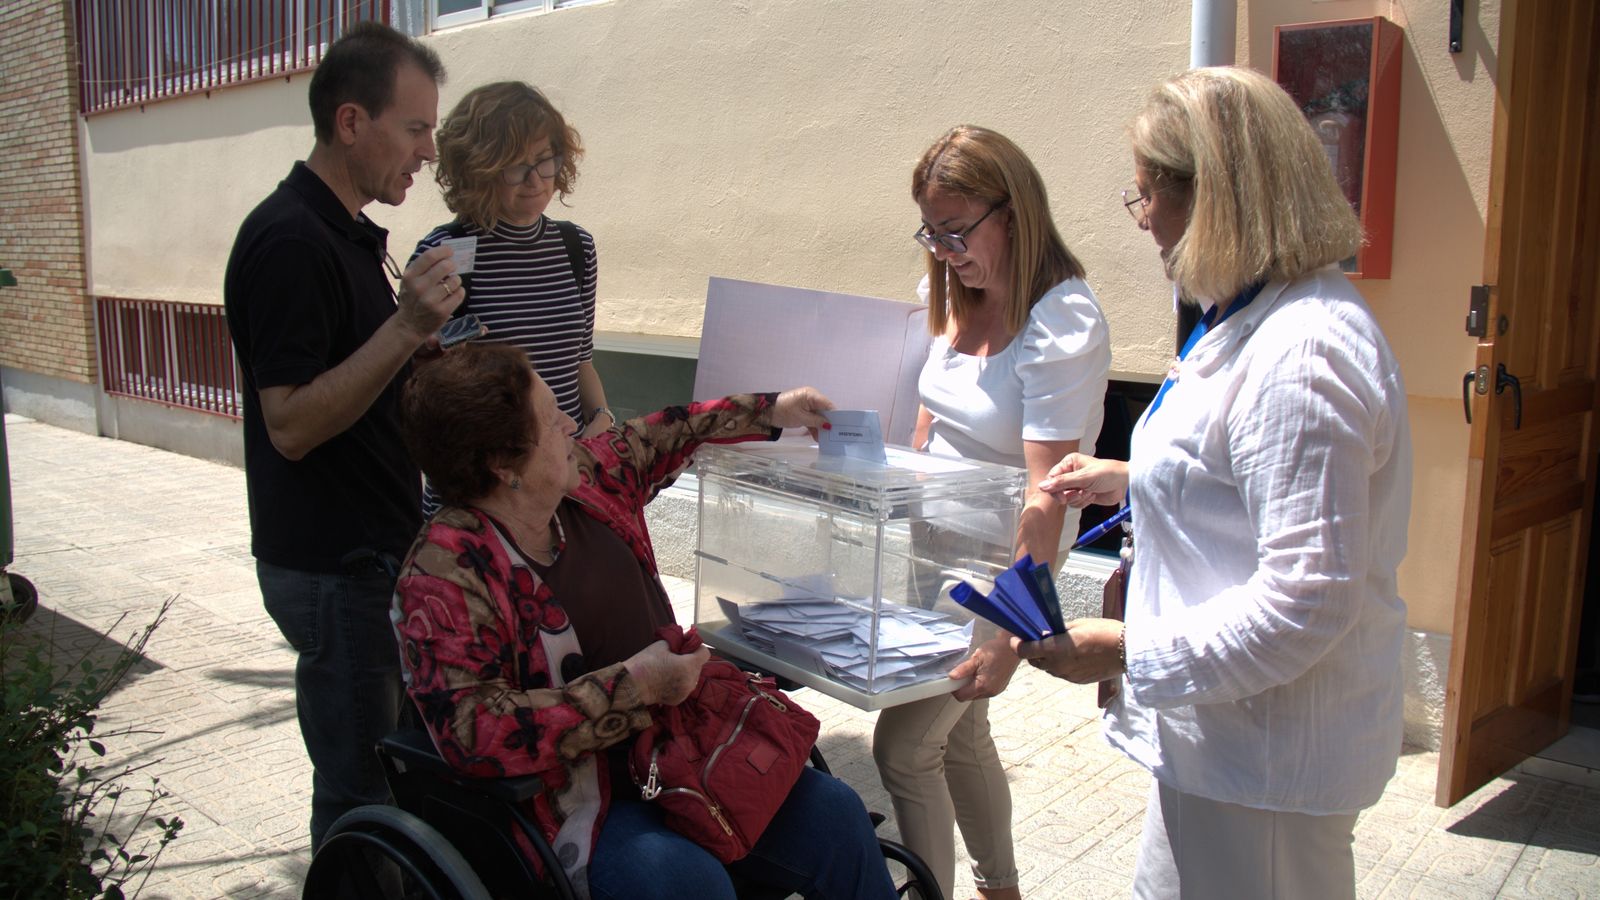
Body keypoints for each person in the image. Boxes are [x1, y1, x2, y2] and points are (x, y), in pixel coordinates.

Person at [1028, 66, 1412, 899]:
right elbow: (1243, 472)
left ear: (1217, 198)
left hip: (1267, 763)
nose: (1142, 223)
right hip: (1223, 746)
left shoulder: (1304, 354)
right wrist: (1135, 479)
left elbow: (1306, 600)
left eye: (1146, 197)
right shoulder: (1251, 313)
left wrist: (1127, 651)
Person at [392, 342, 899, 900]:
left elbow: (664, 435)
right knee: (684, 882)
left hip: (683, 753)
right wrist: (634, 688)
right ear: (505, 465)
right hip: (579, 800)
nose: (569, 421)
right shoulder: (444, 574)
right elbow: (473, 730)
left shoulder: (583, 482)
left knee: (834, 813)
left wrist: (774, 410)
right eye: (549, 415)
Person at [222, 22, 464, 851]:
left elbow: (353, 372)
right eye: (416, 127)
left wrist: (412, 349)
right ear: (352, 122)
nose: (428, 151)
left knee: (380, 786)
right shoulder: (292, 239)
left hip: (366, 556)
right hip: (336, 566)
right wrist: (402, 332)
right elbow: (289, 424)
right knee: (362, 795)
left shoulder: (343, 231)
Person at [876, 125, 1111, 900]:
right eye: (930, 232)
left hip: (1001, 564)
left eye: (956, 230)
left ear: (1013, 214)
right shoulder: (948, 292)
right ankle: (1000, 890)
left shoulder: (1061, 319)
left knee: (905, 746)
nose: (942, 251)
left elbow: (1049, 494)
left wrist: (1015, 632)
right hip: (931, 542)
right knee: (961, 729)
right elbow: (926, 423)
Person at [414, 80, 611, 439]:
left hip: (566, 474)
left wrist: (602, 419)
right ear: (479, 169)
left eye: (544, 161)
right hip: (487, 481)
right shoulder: (445, 253)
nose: (535, 179)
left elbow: (581, 362)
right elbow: (428, 389)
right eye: (516, 165)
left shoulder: (575, 245)